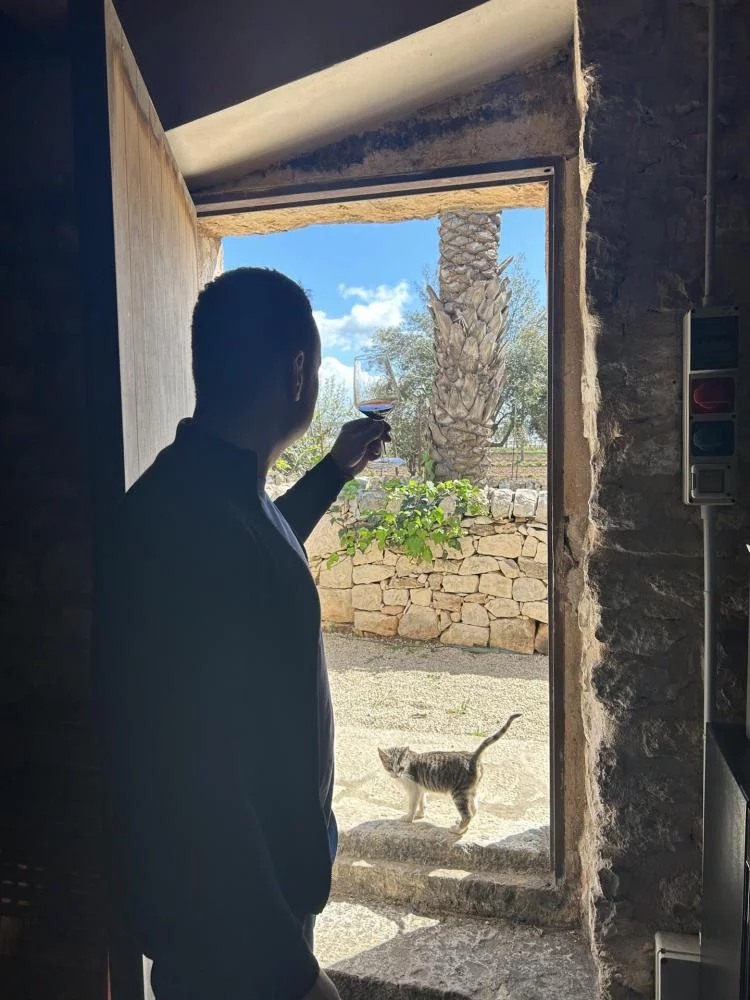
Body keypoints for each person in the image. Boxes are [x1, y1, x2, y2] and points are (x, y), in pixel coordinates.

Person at [95, 268, 390, 1000]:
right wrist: (290, 973)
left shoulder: (205, 497)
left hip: (256, 914)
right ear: (297, 371)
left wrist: (334, 471)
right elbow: (193, 779)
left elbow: (258, 551)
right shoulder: (188, 524)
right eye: (315, 367)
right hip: (234, 942)